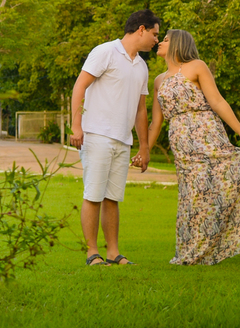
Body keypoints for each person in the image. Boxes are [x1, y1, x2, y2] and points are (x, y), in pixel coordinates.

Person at [139, 29, 240, 265]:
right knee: (191, 195)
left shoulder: (196, 66)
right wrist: (145, 151)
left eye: (165, 39)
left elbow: (217, 101)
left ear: (177, 43)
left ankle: (212, 246)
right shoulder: (158, 80)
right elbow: (156, 122)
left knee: (213, 190)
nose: (160, 43)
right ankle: (192, 250)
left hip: (207, 134)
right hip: (181, 142)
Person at [70, 10, 161, 266]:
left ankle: (113, 253)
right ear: (141, 29)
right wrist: (77, 125)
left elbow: (141, 109)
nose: (156, 40)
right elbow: (80, 86)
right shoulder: (105, 52)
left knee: (113, 197)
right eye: (155, 34)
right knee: (94, 194)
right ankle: (92, 253)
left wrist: (144, 146)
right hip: (97, 134)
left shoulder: (141, 66)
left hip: (123, 139)